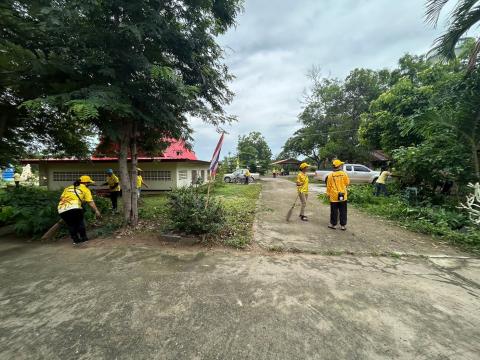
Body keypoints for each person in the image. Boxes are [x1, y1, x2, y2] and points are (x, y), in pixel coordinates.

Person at [57, 175, 101, 244]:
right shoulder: (86, 189)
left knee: (71, 225)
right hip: (75, 207)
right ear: (86, 183)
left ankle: (76, 241)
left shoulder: (68, 188)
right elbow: (91, 202)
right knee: (80, 223)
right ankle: (84, 239)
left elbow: (61, 198)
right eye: (89, 183)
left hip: (61, 209)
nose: (89, 185)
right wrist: (96, 211)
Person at [326, 159, 350, 230]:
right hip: (343, 195)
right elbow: (347, 183)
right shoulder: (344, 174)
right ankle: (343, 226)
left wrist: (328, 194)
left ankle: (333, 225)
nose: (342, 166)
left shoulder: (330, 175)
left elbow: (328, 186)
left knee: (334, 211)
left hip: (333, 195)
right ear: (339, 166)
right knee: (343, 210)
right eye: (341, 165)